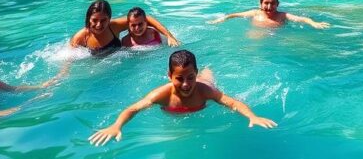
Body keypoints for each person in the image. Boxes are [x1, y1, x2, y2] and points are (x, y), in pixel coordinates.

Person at [88, 50, 277, 146]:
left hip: (206, 83)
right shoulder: (162, 94)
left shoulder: (204, 91)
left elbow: (232, 102)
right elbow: (133, 109)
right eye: (179, 79)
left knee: (208, 78)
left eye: (190, 77)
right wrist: (116, 125)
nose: (186, 84)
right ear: (169, 76)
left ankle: (206, 71)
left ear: (194, 74)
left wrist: (252, 116)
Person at [70, 0, 180, 56]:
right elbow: (68, 60)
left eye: (103, 20)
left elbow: (147, 19)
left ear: (109, 19)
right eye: (94, 20)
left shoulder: (114, 26)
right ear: (88, 18)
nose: (99, 25)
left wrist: (169, 36)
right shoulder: (81, 37)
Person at [209, 0, 329, 29]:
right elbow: (234, 15)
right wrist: (221, 19)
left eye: (272, 3)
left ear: (278, 4)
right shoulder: (255, 13)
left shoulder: (283, 15)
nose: (269, 7)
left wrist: (314, 23)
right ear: (260, 4)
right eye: (266, 3)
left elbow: (302, 19)